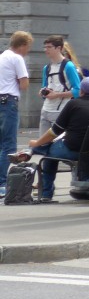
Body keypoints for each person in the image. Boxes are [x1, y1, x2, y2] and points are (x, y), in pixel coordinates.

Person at [24, 76, 89, 201]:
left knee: (50, 154)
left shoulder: (73, 104)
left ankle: (46, 193)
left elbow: (54, 131)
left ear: (81, 91)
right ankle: (32, 150)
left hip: (73, 150)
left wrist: (37, 143)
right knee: (49, 148)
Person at [0, 31, 33, 196]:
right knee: (8, 145)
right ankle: (1, 182)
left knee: (1, 143)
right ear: (23, 45)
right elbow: (24, 84)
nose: (27, 51)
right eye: (28, 47)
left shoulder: (1, 57)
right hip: (9, 102)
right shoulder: (17, 58)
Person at [38, 35, 81, 135]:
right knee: (41, 145)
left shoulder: (69, 66)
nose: (46, 50)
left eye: (49, 47)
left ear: (59, 48)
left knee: (57, 144)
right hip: (45, 110)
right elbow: (44, 86)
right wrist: (43, 92)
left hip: (61, 111)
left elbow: (78, 90)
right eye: (45, 47)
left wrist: (57, 95)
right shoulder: (46, 68)